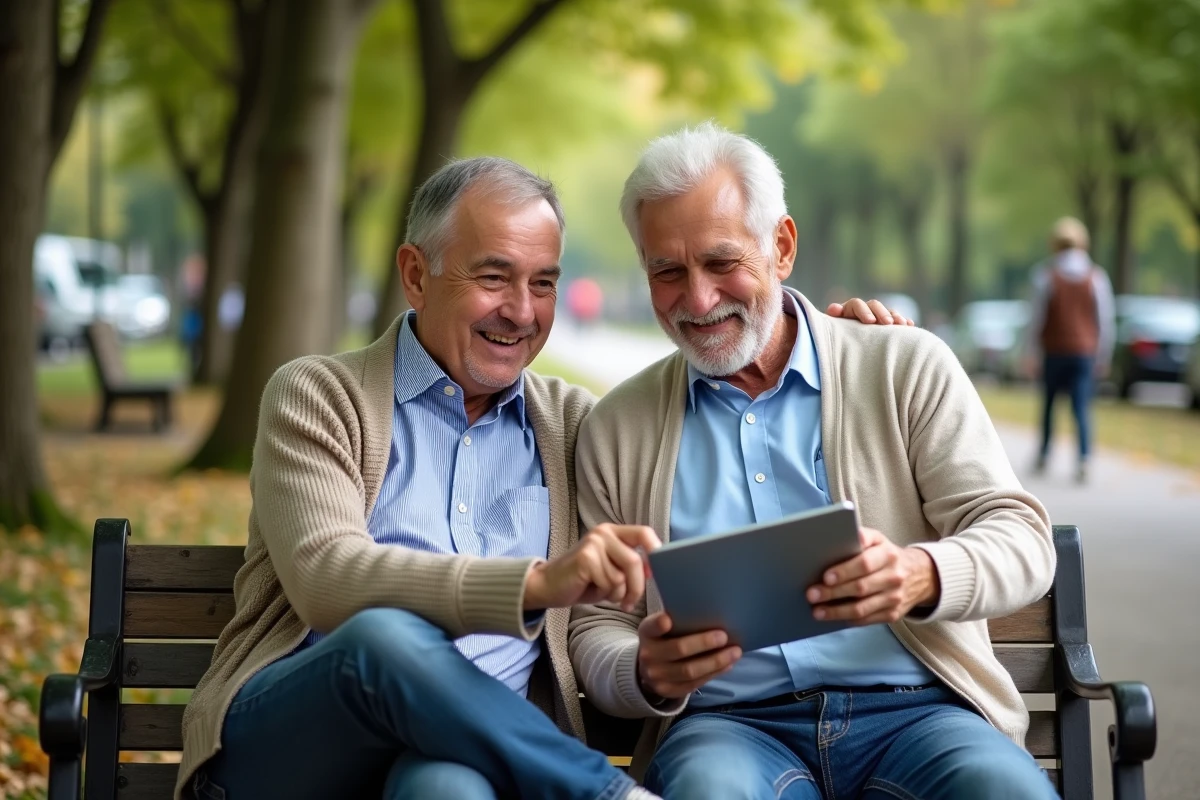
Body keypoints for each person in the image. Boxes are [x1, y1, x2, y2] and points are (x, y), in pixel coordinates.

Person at [175, 155, 900, 800]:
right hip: (298, 741)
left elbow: (712, 401)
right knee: (384, 639)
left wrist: (834, 342)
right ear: (415, 274)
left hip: (475, 747)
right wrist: (534, 586)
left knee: (448, 789)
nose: (521, 312)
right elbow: (326, 578)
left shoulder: (575, 425)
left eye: (543, 282)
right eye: (494, 277)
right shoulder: (318, 397)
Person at [569, 123, 1058, 800]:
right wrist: (643, 672)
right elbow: (596, 626)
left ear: (783, 247)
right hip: (728, 727)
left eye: (721, 261)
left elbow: (1021, 537)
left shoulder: (902, 365)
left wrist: (922, 573)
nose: (699, 298)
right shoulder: (616, 428)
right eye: (667, 271)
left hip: (921, 715)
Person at [1024, 217, 1115, 483]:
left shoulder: (1045, 276)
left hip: (1054, 350)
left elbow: (1036, 319)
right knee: (1081, 406)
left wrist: (1030, 352)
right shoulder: (1096, 277)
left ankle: (1044, 453)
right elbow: (1104, 321)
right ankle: (1084, 457)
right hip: (1084, 352)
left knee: (1049, 404)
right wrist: (1103, 355)